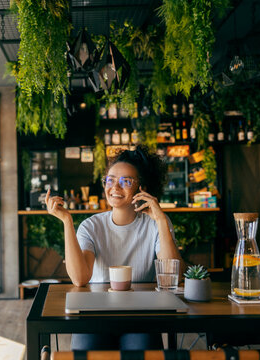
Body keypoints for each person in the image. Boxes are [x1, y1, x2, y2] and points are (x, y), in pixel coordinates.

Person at [45, 145, 183, 350]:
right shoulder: (91, 226)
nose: (115, 187)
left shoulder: (157, 223)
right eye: (110, 180)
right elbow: (80, 278)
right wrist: (67, 222)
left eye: (125, 181)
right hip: (95, 313)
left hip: (141, 313)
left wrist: (161, 220)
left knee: (142, 350)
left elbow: (174, 275)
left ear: (142, 187)